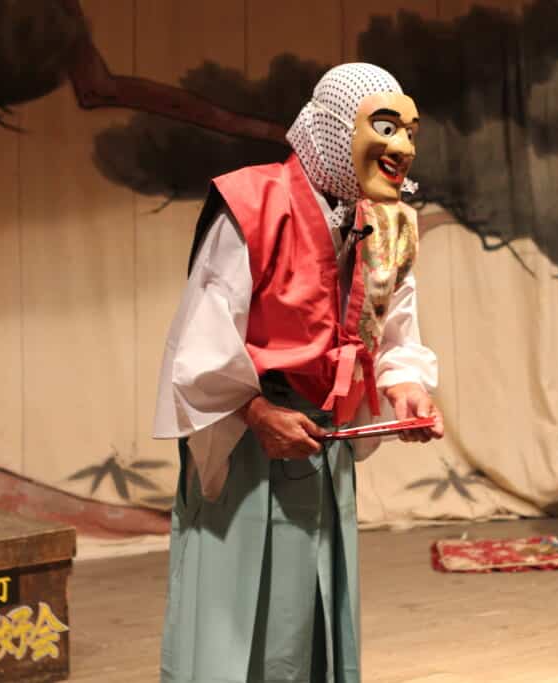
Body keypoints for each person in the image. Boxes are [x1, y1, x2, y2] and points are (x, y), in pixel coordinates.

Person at [152, 63, 443, 683]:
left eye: (410, 133)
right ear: (338, 129)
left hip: (322, 444)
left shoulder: (385, 223)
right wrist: (256, 413)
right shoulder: (253, 204)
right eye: (385, 128)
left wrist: (406, 388)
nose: (403, 150)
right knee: (234, 621)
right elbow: (200, 345)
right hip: (248, 442)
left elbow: (393, 330)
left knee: (313, 617)